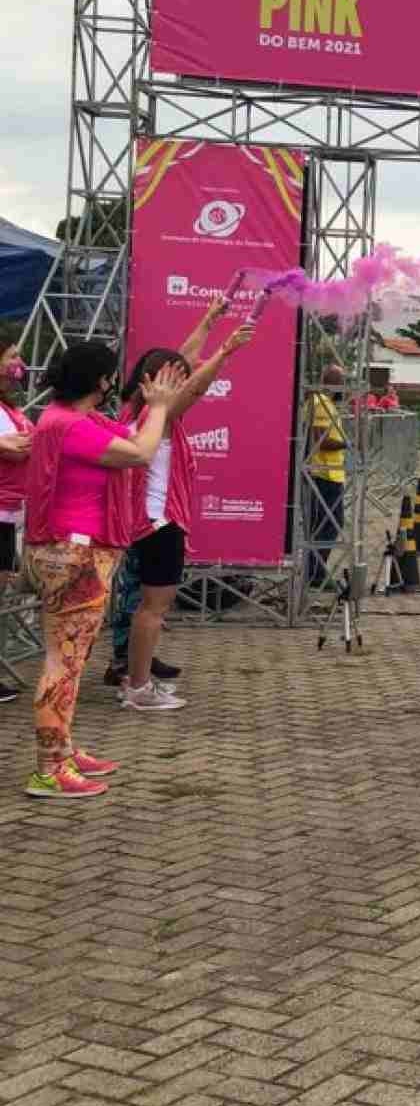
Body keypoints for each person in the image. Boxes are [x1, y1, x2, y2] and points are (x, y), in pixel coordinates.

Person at [20, 342, 184, 798]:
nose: (115, 383)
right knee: (63, 664)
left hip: (74, 553)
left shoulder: (73, 419)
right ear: (99, 381)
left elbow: (131, 436)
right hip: (75, 555)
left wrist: (158, 402)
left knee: (70, 660)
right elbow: (139, 452)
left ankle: (64, 750)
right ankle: (49, 770)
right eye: (111, 375)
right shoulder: (71, 425)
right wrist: (159, 408)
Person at [117, 312, 256, 711]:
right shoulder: (155, 415)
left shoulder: (138, 406)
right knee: (153, 609)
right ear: (155, 382)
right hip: (159, 524)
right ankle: (139, 689)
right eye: (172, 377)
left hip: (151, 522)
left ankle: (134, 678)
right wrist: (227, 350)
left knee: (148, 608)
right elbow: (194, 385)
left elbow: (186, 362)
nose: (181, 378)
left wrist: (209, 321)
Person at [0, 342, 30, 704]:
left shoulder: (11, 407)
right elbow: (18, 448)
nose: (20, 363)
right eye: (12, 356)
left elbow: (23, 445)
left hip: (9, 512)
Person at [305, 365, 348, 591]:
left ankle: (316, 572)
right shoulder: (320, 402)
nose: (344, 387)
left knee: (330, 524)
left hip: (331, 472)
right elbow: (320, 440)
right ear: (334, 382)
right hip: (323, 473)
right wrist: (348, 443)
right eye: (342, 381)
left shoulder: (325, 402)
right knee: (327, 525)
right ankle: (315, 574)